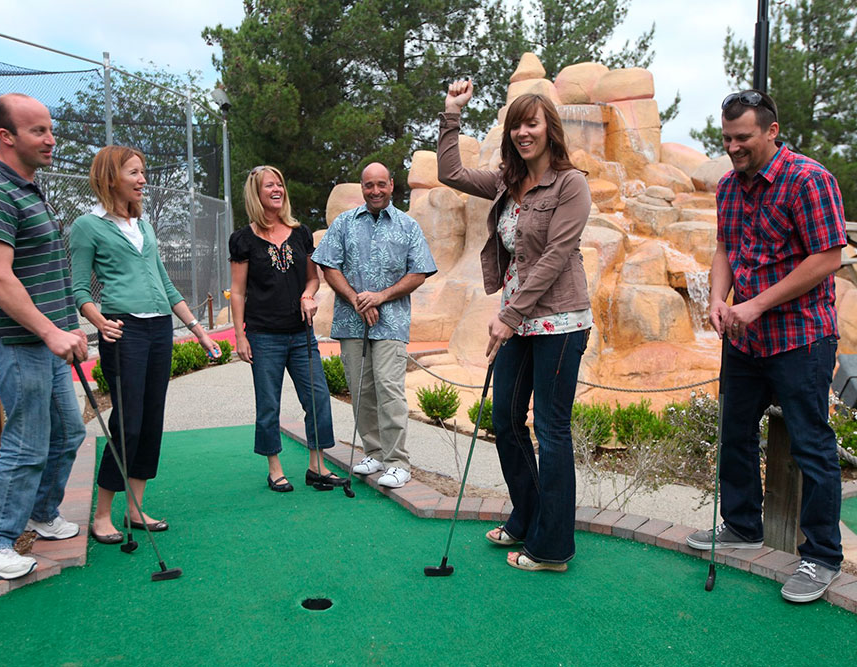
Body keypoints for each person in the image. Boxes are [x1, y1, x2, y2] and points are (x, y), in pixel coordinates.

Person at [684, 90, 847, 603]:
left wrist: (755, 305)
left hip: (801, 336)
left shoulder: (810, 180)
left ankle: (821, 556)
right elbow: (724, 248)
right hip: (744, 338)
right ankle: (741, 525)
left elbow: (827, 258)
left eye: (743, 138)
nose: (733, 147)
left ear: (771, 131)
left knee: (811, 446)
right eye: (727, 138)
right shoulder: (729, 187)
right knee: (734, 433)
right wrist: (717, 298)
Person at [438, 80, 593, 572]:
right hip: (518, 322)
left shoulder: (571, 184)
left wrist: (508, 314)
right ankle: (527, 516)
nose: (524, 132)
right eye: (517, 125)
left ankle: (553, 548)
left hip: (560, 322)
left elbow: (554, 257)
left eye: (533, 122)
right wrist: (451, 113)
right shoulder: (507, 181)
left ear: (550, 128)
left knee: (551, 429)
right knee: (504, 419)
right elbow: (451, 172)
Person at [0, 93, 89, 580]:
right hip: (15, 343)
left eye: (50, 130)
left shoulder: (27, 188)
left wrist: (63, 325)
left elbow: (39, 272)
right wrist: (51, 331)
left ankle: (40, 512)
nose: (50, 140)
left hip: (43, 339)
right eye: (38, 131)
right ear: (5, 137)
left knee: (69, 431)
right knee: (27, 441)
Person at [70, 145, 220, 542]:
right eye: (134, 173)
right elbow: (80, 288)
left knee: (151, 422)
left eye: (143, 172)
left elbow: (166, 284)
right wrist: (98, 320)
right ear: (110, 177)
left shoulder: (146, 227)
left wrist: (197, 329)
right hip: (124, 332)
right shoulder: (88, 226)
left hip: (159, 333)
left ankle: (135, 509)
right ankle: (103, 514)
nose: (142, 180)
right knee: (127, 425)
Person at [312, 162, 437, 489]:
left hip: (391, 323)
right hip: (351, 323)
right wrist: (357, 300)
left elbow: (419, 272)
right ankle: (375, 453)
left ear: (392, 185)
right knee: (361, 389)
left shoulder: (408, 226)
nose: (376, 190)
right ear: (363, 188)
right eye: (369, 185)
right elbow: (328, 266)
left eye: (381, 184)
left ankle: (398, 462)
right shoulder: (344, 223)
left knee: (389, 389)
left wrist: (380, 297)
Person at [229, 165, 341, 492]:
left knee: (318, 397)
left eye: (279, 183)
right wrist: (240, 335)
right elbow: (237, 291)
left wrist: (309, 296)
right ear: (256, 193)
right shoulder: (243, 239)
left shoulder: (300, 232)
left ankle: (317, 466)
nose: (277, 189)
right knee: (268, 404)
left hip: (301, 334)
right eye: (269, 185)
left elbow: (312, 278)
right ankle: (274, 468)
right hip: (264, 336)